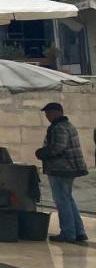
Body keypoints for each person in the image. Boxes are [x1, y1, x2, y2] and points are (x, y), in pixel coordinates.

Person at [35, 102, 89, 244]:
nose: (47, 116)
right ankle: (79, 231)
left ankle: (68, 233)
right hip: (69, 168)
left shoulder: (59, 128)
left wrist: (42, 153)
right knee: (68, 199)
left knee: (62, 200)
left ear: (56, 112)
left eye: (48, 113)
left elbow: (58, 147)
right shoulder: (68, 125)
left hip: (61, 169)